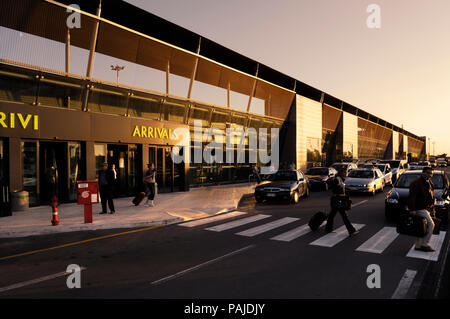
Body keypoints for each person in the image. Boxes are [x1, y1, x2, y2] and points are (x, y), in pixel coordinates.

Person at [408, 166, 436, 252]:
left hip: (427, 208)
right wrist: (412, 209)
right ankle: (424, 244)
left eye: (431, 173)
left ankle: (418, 245)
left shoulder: (429, 183)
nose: (429, 175)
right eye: (427, 172)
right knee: (431, 225)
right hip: (419, 208)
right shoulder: (416, 183)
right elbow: (412, 197)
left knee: (421, 227)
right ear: (423, 173)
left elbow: (430, 195)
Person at [324, 167, 358, 236]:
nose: (346, 173)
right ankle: (351, 231)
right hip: (338, 200)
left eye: (346, 172)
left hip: (337, 199)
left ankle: (328, 228)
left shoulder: (341, 179)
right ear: (341, 173)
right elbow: (333, 185)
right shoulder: (338, 179)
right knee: (344, 216)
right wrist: (337, 191)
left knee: (332, 215)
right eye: (344, 172)